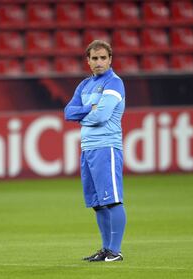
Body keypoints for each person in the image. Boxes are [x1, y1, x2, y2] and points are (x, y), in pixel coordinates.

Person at [64, 40, 126, 262]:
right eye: (94, 58)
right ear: (87, 61)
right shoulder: (84, 85)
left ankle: (115, 251)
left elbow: (101, 116)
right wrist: (87, 109)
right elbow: (68, 112)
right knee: (97, 203)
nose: (98, 62)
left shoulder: (114, 83)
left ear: (110, 60)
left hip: (106, 147)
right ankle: (105, 248)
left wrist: (84, 115)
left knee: (112, 200)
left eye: (103, 58)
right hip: (88, 148)